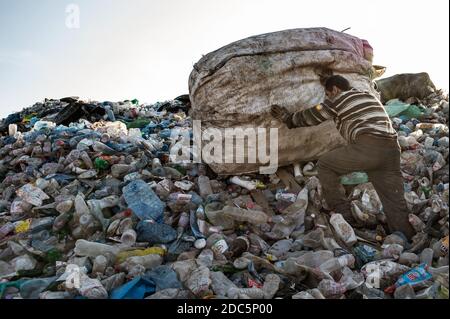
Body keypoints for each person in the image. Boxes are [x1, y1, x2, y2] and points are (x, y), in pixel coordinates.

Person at [270, 75, 415, 240]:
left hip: (369, 146)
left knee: (325, 165)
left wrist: (288, 119)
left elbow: (314, 115)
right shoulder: (367, 96)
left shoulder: (339, 98)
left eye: (328, 93)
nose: (327, 97)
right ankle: (406, 238)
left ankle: (345, 214)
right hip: (392, 150)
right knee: (393, 198)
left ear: (335, 89)